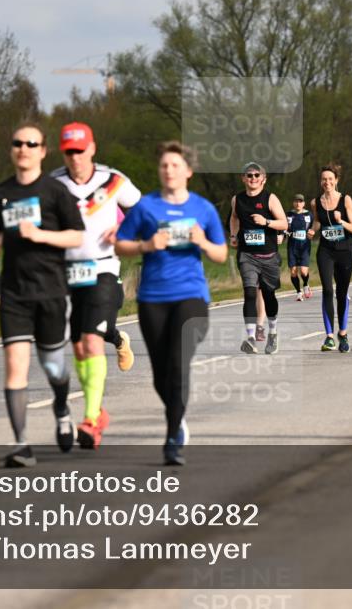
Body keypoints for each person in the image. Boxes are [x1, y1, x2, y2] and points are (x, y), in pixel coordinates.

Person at [115, 141, 227, 466]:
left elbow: (220, 254)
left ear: (188, 171)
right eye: (164, 165)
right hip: (153, 298)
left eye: (175, 165)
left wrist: (202, 241)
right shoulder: (146, 207)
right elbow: (121, 245)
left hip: (191, 296)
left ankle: (172, 436)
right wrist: (146, 245)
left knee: (178, 363)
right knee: (160, 374)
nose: (169, 170)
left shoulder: (203, 209)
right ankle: (177, 414)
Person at [0, 123, 85, 468]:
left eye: (31, 143)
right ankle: (20, 444)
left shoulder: (55, 191)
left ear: (43, 151)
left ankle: (61, 406)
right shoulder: (0, 193)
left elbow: (76, 237)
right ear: (12, 150)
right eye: (18, 143)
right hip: (13, 293)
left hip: (52, 292)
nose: (23, 148)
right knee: (14, 367)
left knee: (54, 366)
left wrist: (41, 236)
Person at [51, 122, 142, 449]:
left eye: (81, 150)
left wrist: (126, 233)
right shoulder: (53, 183)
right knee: (78, 346)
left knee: (91, 341)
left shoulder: (113, 180)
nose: (75, 157)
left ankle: (90, 419)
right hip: (65, 273)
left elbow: (142, 211)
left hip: (103, 269)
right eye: (69, 152)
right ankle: (97, 411)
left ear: (92, 149)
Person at [229, 162, 287, 354]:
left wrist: (266, 222)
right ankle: (251, 338)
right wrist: (233, 235)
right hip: (247, 255)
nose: (252, 178)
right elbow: (234, 217)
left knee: (269, 296)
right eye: (249, 175)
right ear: (243, 178)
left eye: (256, 175)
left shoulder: (270, 198)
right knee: (250, 293)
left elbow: (284, 223)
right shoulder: (237, 199)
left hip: (269, 255)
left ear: (263, 179)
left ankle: (273, 332)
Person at [310, 163, 352, 352]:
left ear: (336, 180)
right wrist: (311, 231)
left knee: (341, 293)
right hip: (326, 251)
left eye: (330, 179)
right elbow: (317, 221)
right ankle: (329, 336)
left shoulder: (345, 200)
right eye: (324, 179)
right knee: (328, 290)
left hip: (345, 251)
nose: (327, 182)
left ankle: (343, 334)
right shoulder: (315, 202)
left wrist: (341, 221)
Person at [285, 194, 313, 301]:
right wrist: (283, 234)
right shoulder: (289, 215)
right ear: (293, 203)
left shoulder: (309, 215)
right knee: (293, 271)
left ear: (304, 203)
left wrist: (312, 231)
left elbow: (314, 226)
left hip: (305, 246)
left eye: (300, 202)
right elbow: (284, 228)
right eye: (296, 201)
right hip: (292, 246)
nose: (298, 204)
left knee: (304, 272)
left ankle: (305, 284)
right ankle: (298, 292)